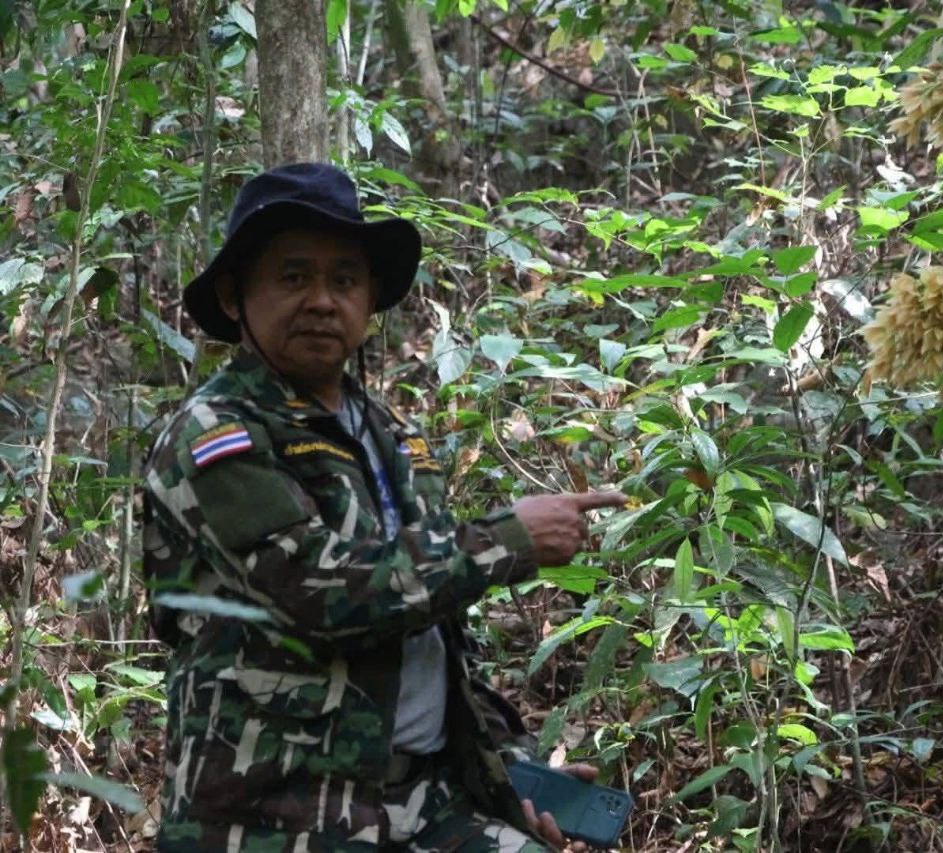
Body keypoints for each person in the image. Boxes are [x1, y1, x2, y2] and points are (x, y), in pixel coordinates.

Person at [142, 162, 626, 852]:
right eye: (292, 276)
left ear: (369, 302)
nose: (321, 300)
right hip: (274, 817)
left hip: (418, 798)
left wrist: (507, 763)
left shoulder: (393, 438)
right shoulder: (216, 433)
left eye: (343, 280)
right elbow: (318, 590)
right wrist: (506, 540)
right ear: (234, 295)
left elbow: (432, 626)